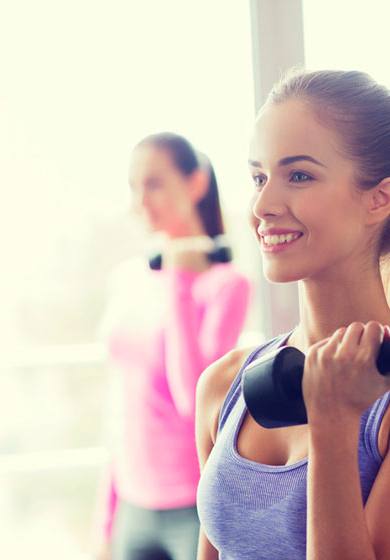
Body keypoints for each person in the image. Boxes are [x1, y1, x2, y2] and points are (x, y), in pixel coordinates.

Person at [194, 69, 390, 560]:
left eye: (299, 176)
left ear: (380, 198)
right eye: (259, 178)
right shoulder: (225, 384)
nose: (262, 205)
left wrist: (333, 423)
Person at [92, 132, 251, 560]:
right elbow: (122, 404)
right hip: (130, 503)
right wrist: (105, 519)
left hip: (192, 506)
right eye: (133, 186)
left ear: (195, 184)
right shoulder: (127, 279)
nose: (141, 200)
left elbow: (191, 399)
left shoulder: (226, 286)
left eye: (154, 183)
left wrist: (179, 281)